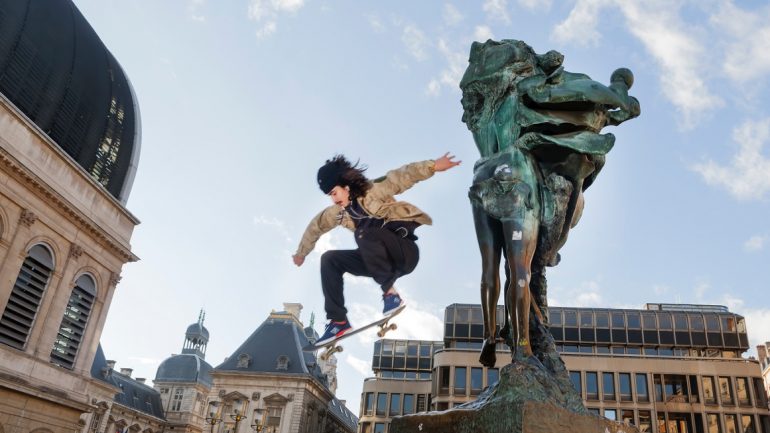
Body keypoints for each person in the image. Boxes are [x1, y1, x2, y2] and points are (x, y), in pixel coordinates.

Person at [293, 153, 461, 345]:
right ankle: (338, 321)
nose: (333, 199)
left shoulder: (373, 190)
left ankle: (391, 294)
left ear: (346, 186)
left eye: (334, 193)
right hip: (378, 261)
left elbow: (401, 176)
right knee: (330, 259)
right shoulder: (338, 214)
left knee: (363, 233)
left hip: (403, 252)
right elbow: (316, 226)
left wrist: (432, 166)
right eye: (330, 195)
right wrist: (301, 253)